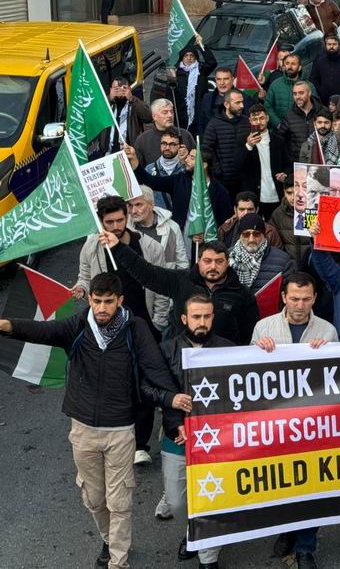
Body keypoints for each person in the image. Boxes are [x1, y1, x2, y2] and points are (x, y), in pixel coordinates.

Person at [0, 273, 183, 569]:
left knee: (119, 501)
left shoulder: (135, 329)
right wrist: (6, 325)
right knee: (95, 499)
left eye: (108, 302)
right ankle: (109, 540)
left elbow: (157, 372)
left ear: (120, 301)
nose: (101, 308)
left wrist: (174, 419)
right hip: (83, 429)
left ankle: (118, 561)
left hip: (120, 430)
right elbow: (42, 331)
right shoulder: (79, 325)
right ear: (90, 299)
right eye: (97, 301)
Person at [75, 195, 172, 463]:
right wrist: (81, 288)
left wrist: (158, 322)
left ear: (127, 217)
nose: (116, 226)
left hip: (143, 325)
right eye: (109, 222)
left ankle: (140, 444)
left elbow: (161, 285)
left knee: (144, 384)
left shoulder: (148, 246)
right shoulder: (91, 247)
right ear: (100, 222)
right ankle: (116, 438)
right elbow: (84, 276)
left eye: (120, 220)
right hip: (107, 330)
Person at [252, 273, 336, 569]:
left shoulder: (327, 330)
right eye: (295, 299)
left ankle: (305, 548)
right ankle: (287, 530)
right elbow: (247, 376)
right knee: (281, 484)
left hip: (314, 424)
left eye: (306, 299)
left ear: (314, 299)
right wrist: (257, 349)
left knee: (311, 486)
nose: (300, 305)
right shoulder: (264, 327)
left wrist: (328, 352)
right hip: (277, 423)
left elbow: (338, 380)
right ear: (284, 298)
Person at [146, 294, 230, 569]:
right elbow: (146, 387)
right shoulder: (166, 349)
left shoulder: (229, 349)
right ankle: (193, 530)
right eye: (196, 317)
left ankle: (208, 557)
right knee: (177, 503)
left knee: (213, 498)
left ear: (213, 318)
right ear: (184, 319)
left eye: (207, 316)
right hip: (177, 438)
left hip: (218, 442)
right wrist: (171, 402)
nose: (201, 322)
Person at [105, 231, 260, 344]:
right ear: (198, 261)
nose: (213, 266)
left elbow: (249, 335)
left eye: (219, 262)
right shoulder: (180, 280)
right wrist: (119, 248)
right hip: (182, 358)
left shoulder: (242, 294)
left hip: (222, 363)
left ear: (227, 263)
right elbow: (147, 273)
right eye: (207, 261)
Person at [126, 142, 231, 230]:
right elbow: (150, 181)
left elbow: (225, 222)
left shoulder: (220, 192)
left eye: (192, 158)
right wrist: (134, 158)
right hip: (181, 236)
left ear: (204, 165)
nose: (187, 160)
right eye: (188, 156)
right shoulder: (179, 181)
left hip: (206, 241)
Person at [153, 37, 217, 132]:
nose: (189, 58)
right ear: (182, 58)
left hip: (199, 115)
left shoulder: (201, 70)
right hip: (181, 117)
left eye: (192, 55)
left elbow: (212, 62)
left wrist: (201, 46)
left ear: (195, 57)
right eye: (186, 55)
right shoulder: (175, 73)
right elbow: (170, 95)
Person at [202, 88, 250, 200]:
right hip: (223, 181)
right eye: (237, 103)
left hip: (244, 180)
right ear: (226, 104)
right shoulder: (214, 124)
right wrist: (218, 171)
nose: (242, 106)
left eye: (242, 102)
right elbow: (207, 149)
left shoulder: (246, 122)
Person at [228, 213, 293, 294]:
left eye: (256, 234)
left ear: (263, 235)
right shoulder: (227, 257)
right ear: (240, 236)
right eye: (246, 234)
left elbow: (288, 293)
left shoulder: (283, 260)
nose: (251, 239)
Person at [243, 104, 289, 217]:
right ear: (250, 121)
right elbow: (238, 166)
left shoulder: (279, 140)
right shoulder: (243, 140)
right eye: (255, 119)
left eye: (262, 118)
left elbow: (288, 164)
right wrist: (248, 146)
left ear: (267, 118)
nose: (259, 122)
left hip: (276, 194)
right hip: (254, 196)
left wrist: (285, 174)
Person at [127, 187, 189, 270]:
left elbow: (182, 263)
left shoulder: (172, 227)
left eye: (138, 205)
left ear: (151, 205)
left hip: (168, 277)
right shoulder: (126, 229)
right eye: (130, 206)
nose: (133, 211)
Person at [133, 101, 195, 169]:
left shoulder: (185, 135)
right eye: (165, 112)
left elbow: (197, 164)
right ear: (154, 116)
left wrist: (186, 158)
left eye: (171, 112)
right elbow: (138, 169)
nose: (170, 115)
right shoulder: (142, 140)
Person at [265, 53, 315, 129]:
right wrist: (278, 124)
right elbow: (268, 106)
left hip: (301, 129)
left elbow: (316, 107)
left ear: (299, 68)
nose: (290, 66)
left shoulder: (309, 86)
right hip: (279, 130)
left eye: (293, 64)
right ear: (284, 66)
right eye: (287, 63)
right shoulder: (275, 84)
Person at [108, 77, 152, 148]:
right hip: (108, 150)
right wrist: (109, 99)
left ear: (129, 89)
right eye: (116, 88)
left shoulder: (134, 103)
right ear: (110, 90)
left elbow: (149, 117)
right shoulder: (106, 103)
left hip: (129, 149)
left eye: (124, 88)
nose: (120, 91)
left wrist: (132, 99)